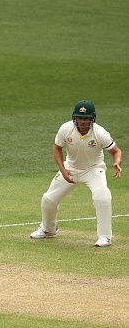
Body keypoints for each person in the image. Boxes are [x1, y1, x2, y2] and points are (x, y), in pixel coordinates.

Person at [31, 100, 123, 247]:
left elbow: (116, 151)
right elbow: (57, 148)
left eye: (86, 118)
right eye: (80, 117)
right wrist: (63, 169)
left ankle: (105, 237)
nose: (83, 121)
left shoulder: (100, 132)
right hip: (70, 168)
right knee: (48, 199)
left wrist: (117, 162)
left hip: (94, 169)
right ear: (75, 118)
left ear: (92, 119)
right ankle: (49, 229)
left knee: (102, 196)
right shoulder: (65, 129)